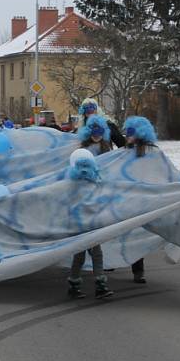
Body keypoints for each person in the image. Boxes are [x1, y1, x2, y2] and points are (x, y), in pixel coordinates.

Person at [68, 115, 114, 299]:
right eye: (94, 131)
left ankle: (94, 284)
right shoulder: (76, 181)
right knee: (83, 254)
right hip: (83, 222)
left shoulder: (106, 150)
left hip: (91, 219)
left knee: (93, 253)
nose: (97, 135)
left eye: (100, 131)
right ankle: (82, 284)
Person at [122, 116, 160, 284]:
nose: (127, 136)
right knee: (130, 236)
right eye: (126, 133)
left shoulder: (153, 153)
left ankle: (139, 270)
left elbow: (162, 174)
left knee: (139, 236)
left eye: (130, 133)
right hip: (129, 201)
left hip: (145, 201)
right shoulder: (124, 153)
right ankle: (135, 268)